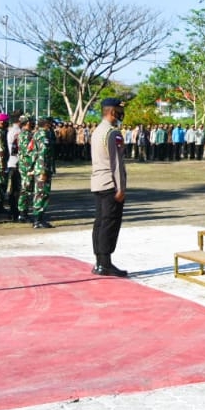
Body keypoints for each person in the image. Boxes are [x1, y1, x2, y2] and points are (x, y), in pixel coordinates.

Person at [90, 98, 129, 277]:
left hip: (98, 182)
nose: (121, 114)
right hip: (110, 184)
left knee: (100, 223)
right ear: (112, 112)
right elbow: (116, 163)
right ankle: (105, 263)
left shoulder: (98, 130)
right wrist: (120, 188)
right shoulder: (113, 133)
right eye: (120, 110)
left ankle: (99, 262)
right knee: (110, 224)